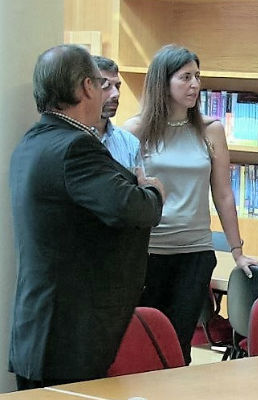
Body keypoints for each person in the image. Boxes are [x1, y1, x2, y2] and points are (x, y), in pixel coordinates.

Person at [9, 44, 165, 389]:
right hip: (69, 338)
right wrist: (154, 192)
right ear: (86, 87)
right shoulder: (75, 147)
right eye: (101, 83)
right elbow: (131, 208)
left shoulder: (34, 140)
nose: (109, 93)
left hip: (44, 330)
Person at [123, 44, 256, 364]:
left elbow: (223, 193)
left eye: (197, 76)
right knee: (146, 343)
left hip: (194, 252)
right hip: (148, 252)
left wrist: (237, 251)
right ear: (163, 81)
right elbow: (125, 195)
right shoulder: (134, 130)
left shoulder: (211, 130)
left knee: (179, 342)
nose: (195, 84)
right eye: (185, 77)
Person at [90, 56, 140, 170]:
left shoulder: (130, 143)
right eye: (106, 86)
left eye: (117, 86)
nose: (116, 94)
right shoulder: (67, 139)